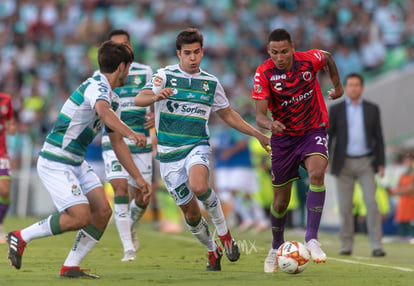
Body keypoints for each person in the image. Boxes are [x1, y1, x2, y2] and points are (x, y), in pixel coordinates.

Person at [7, 40, 151, 278]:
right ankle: (21, 236)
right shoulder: (96, 86)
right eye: (129, 67)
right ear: (123, 67)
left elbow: (116, 144)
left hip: (75, 162)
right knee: (80, 216)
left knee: (103, 211)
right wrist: (132, 133)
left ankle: (70, 266)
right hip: (55, 160)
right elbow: (103, 112)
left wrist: (138, 178)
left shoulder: (113, 99)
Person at [134, 27, 270, 271]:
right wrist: (155, 97)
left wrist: (258, 134)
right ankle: (212, 250)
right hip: (168, 154)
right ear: (179, 54)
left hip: (196, 145)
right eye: (188, 53)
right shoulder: (163, 76)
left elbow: (228, 115)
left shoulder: (210, 83)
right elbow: (139, 99)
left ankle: (226, 236)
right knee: (191, 214)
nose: (193, 57)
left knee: (199, 186)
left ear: (202, 52)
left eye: (197, 52)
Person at [252, 28, 344, 273]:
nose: (279, 57)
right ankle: (275, 246)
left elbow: (328, 58)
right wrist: (270, 124)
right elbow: (259, 115)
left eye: (284, 51)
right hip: (283, 139)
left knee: (316, 174)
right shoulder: (264, 73)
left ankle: (311, 238)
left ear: (292, 47)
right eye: (274, 53)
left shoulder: (308, 60)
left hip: (313, 129)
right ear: (268, 51)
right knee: (281, 202)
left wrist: (338, 87)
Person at [99, 29, 154, 262]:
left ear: (131, 47)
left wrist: (155, 118)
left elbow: (154, 102)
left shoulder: (145, 71)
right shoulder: (102, 76)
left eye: (125, 45)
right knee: (120, 189)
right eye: (116, 46)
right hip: (114, 139)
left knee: (143, 195)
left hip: (141, 139)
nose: (121, 50)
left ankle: (129, 225)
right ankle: (127, 249)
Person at [328, 72, 386, 257]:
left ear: (362, 87)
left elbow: (379, 136)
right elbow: (330, 136)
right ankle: (346, 245)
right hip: (342, 162)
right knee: (345, 207)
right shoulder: (336, 109)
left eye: (356, 85)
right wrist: (325, 159)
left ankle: (377, 245)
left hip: (366, 162)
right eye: (350, 85)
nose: (353, 88)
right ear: (345, 88)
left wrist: (381, 163)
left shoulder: (372, 108)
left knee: (371, 202)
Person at [0, 92, 16, 244]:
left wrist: (11, 126)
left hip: (1, 153)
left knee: (4, 190)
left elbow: (11, 121)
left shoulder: (6, 100)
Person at [390, 152, 414, 241]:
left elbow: (410, 189)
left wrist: (401, 191)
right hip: (402, 208)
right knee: (402, 235)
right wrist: (402, 191)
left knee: (410, 235)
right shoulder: (403, 175)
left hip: (411, 208)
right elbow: (397, 189)